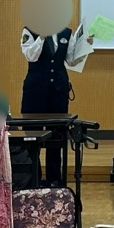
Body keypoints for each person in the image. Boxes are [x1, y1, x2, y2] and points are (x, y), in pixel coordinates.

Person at [20, 25, 73, 185]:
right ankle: (33, 179)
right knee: (31, 135)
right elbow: (30, 56)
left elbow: (71, 60)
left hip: (58, 90)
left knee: (57, 133)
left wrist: (85, 45)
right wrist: (41, 37)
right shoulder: (30, 30)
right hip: (35, 91)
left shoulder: (66, 32)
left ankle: (54, 179)